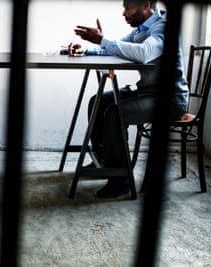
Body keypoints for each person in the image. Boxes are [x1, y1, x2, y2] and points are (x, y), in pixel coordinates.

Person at [71, 0, 189, 198]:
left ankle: (121, 180)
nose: (124, 13)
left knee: (115, 113)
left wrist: (103, 40)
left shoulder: (163, 27)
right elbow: (118, 48)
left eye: (128, 8)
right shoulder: (141, 29)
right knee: (99, 100)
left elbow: (144, 53)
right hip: (148, 92)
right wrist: (88, 50)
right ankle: (104, 162)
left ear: (145, 5)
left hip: (170, 101)